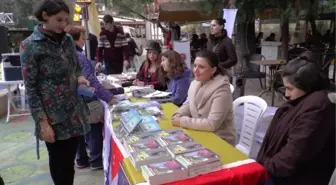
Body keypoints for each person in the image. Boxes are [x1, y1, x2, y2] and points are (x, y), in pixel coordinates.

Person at [20, 0, 90, 184]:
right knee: (60, 164)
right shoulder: (30, 45)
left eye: (66, 20)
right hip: (53, 118)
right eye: (59, 20)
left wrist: (79, 76)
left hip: (74, 114)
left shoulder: (67, 40)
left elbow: (75, 66)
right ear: (45, 16)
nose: (63, 25)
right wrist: (43, 123)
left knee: (69, 162)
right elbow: (31, 88)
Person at [257, 51, 336, 185]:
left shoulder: (317, 108)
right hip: (277, 169)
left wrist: (263, 166)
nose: (286, 95)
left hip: (296, 178)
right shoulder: (303, 101)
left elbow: (292, 156)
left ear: (308, 86)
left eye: (290, 89)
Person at [69, 30, 116, 170]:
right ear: (76, 39)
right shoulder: (80, 57)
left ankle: (81, 159)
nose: (84, 41)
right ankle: (96, 160)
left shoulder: (65, 55)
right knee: (94, 125)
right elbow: (91, 82)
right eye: (82, 38)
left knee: (78, 129)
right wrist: (109, 97)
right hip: (86, 97)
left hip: (72, 99)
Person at [172, 51, 236, 145]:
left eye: (201, 67)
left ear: (213, 70)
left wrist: (182, 121)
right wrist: (178, 114)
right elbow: (189, 103)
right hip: (200, 133)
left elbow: (212, 124)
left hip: (220, 140)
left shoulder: (222, 90)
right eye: (195, 66)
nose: (196, 70)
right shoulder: (196, 83)